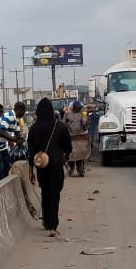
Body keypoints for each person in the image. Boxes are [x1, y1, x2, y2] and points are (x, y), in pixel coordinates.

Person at [27, 98, 72, 236]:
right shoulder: (60, 126)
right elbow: (68, 146)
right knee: (54, 195)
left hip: (41, 167)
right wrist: (66, 156)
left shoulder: (33, 129)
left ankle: (46, 221)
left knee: (45, 193)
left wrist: (30, 170)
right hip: (56, 166)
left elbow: (31, 152)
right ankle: (53, 226)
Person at [63, 101, 89, 177]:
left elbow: (85, 124)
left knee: (80, 154)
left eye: (79, 108)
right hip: (71, 137)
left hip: (79, 136)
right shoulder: (68, 114)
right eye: (77, 108)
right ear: (73, 108)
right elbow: (64, 124)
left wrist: (85, 118)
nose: (78, 109)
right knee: (71, 154)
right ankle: (71, 168)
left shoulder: (82, 113)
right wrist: (66, 124)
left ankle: (80, 169)